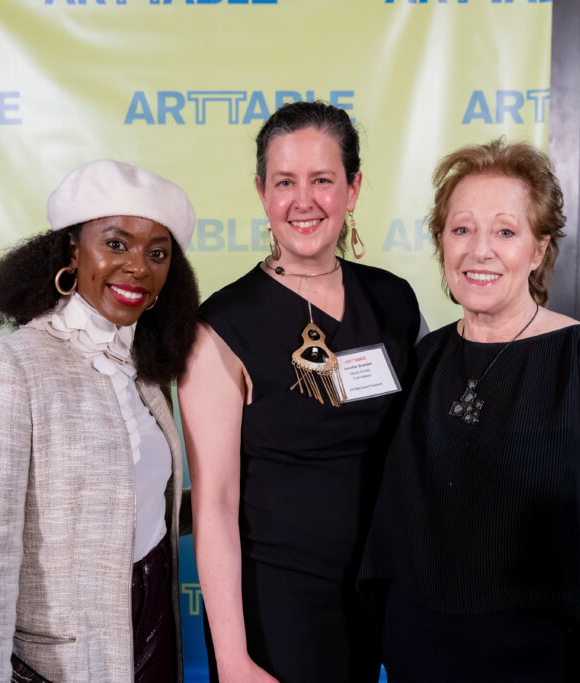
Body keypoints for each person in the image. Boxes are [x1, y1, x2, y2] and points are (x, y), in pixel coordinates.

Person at [358, 139, 580, 683]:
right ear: (441, 243)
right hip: (423, 653)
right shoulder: (422, 361)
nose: (480, 250)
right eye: (461, 229)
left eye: (505, 231)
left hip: (547, 659)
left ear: (538, 249)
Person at [178, 101, 424, 683]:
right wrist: (234, 657)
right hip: (278, 608)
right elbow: (212, 504)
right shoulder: (219, 326)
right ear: (262, 192)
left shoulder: (395, 300)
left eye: (323, 180)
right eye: (285, 182)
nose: (304, 201)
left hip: (384, 591)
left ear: (353, 188)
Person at [0, 159, 200, 683]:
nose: (138, 268)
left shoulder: (147, 371)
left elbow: (140, 505)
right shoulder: (10, 366)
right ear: (70, 250)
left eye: (157, 253)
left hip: (154, 630)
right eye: (116, 243)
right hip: (65, 658)